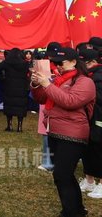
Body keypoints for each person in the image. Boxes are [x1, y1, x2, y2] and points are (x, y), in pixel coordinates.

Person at [31, 46, 95, 217]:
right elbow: (42, 98)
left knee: (62, 174)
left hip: (73, 134)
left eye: (61, 62)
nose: (57, 66)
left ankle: (71, 212)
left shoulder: (85, 82)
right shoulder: (58, 80)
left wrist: (47, 84)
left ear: (74, 62)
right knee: (64, 175)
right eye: (55, 62)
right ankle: (76, 209)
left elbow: (70, 101)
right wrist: (37, 84)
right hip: (55, 132)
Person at [0, 48, 30, 132]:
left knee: (9, 107)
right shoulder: (25, 64)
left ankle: (9, 126)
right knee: (20, 108)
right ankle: (19, 127)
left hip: (9, 88)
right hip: (22, 89)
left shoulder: (7, 63)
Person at [80, 48, 102, 198]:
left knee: (99, 149)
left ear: (93, 62)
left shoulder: (98, 77)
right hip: (87, 119)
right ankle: (89, 180)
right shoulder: (86, 75)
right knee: (87, 150)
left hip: (99, 119)